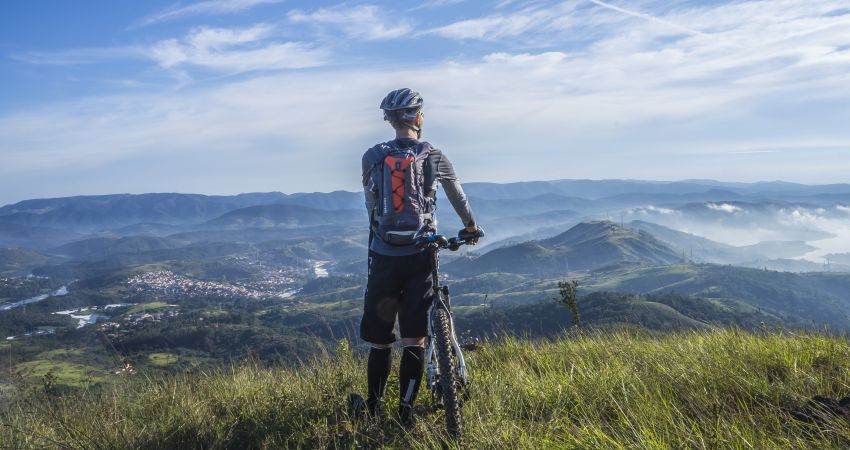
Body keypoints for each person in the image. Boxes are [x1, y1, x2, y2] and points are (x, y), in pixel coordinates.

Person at [356, 88, 481, 424]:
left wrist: (380, 239)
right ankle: (406, 410)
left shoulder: (372, 156)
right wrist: (470, 227)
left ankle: (371, 407)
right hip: (420, 254)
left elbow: (371, 207)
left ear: (390, 120)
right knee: (415, 337)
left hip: (383, 254)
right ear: (418, 118)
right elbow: (458, 196)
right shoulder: (433, 155)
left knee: (381, 342)